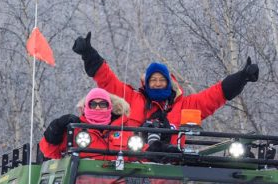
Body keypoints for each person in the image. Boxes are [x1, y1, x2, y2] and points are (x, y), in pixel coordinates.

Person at [71, 32, 259, 130]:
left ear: (170, 83)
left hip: (171, 177)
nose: (158, 83)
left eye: (162, 80)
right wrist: (89, 54)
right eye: (154, 80)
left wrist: (242, 77)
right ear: (146, 83)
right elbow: (107, 81)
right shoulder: (131, 99)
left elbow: (216, 95)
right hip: (131, 173)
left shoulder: (184, 106)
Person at [39, 88, 135, 160]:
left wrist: (150, 149)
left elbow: (141, 157)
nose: (98, 108)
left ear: (109, 107)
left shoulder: (123, 131)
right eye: (93, 104)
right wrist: (57, 126)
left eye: (102, 104)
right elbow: (48, 150)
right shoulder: (76, 130)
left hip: (117, 183)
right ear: (86, 107)